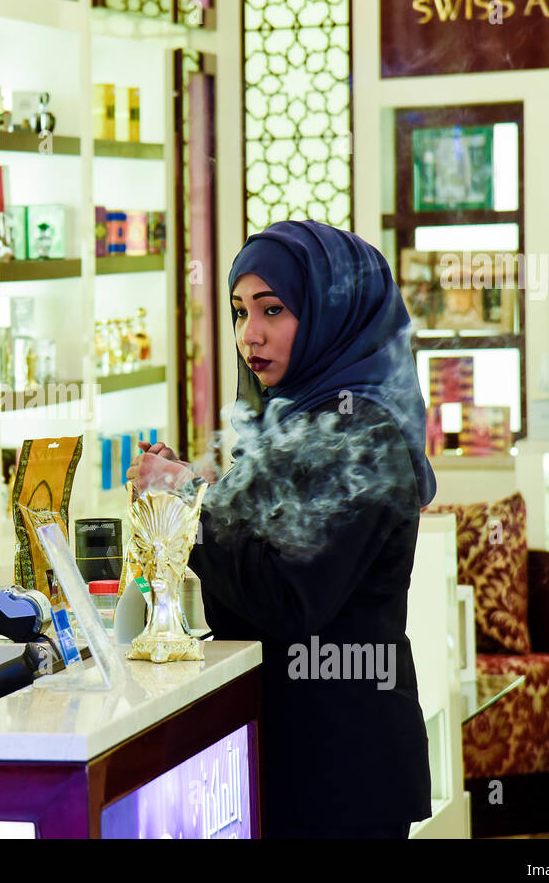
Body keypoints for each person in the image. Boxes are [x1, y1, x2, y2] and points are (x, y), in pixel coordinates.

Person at [127, 220, 435, 838]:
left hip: (338, 765)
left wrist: (186, 504)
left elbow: (291, 596)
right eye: (240, 311)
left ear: (333, 313)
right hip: (291, 747)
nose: (250, 334)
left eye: (273, 310)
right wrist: (194, 493)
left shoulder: (362, 436)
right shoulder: (298, 420)